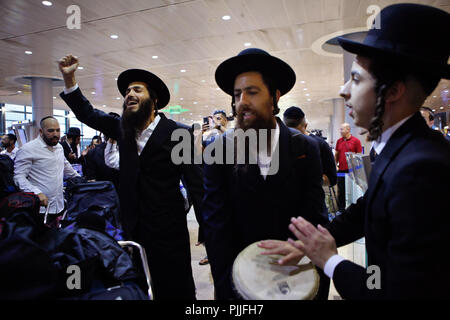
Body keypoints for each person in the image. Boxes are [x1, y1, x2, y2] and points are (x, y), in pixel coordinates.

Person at [285, 4, 450, 299]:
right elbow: (368, 211)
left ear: (393, 91)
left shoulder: (422, 168)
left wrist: (330, 261)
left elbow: (399, 291)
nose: (344, 90)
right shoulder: (398, 147)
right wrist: (314, 241)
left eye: (356, 79)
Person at [58, 55, 204, 300]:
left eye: (137, 89)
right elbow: (87, 114)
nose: (129, 94)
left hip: (168, 230)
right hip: (131, 228)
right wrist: (69, 78)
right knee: (138, 284)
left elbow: (197, 185)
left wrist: (209, 232)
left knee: (175, 286)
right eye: (126, 91)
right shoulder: (121, 129)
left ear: (154, 101)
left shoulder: (178, 134)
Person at [202, 48, 328, 300]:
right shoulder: (218, 151)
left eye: (252, 92)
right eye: (237, 95)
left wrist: (314, 282)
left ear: (275, 97)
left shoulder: (304, 147)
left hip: (295, 275)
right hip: (240, 281)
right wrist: (229, 289)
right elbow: (217, 227)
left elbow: (314, 217)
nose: (242, 102)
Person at [14, 116, 80, 224]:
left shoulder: (59, 147)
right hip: (38, 208)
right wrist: (36, 193)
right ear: (41, 131)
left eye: (58, 130)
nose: (55, 134)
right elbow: (19, 177)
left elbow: (66, 166)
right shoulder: (28, 149)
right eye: (50, 131)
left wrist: (80, 179)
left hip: (59, 205)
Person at [283, 106, 337, 188]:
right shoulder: (280, 144)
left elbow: (331, 179)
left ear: (305, 126)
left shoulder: (320, 144)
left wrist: (307, 179)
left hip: (311, 198)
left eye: (296, 133)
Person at [334, 123, 362, 212]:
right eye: (340, 129)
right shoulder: (339, 141)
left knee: (352, 191)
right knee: (341, 190)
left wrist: (358, 170)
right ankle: (341, 210)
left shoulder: (356, 141)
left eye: (342, 129)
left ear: (348, 130)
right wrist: (335, 165)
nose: (340, 131)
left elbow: (359, 156)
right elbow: (337, 154)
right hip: (341, 170)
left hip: (352, 171)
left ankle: (351, 210)